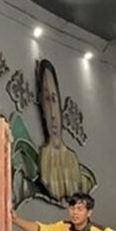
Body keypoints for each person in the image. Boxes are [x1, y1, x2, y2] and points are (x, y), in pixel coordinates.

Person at [36, 59, 89, 200]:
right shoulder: (44, 157)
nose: (52, 113)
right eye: (46, 100)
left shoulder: (72, 160)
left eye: (54, 99)